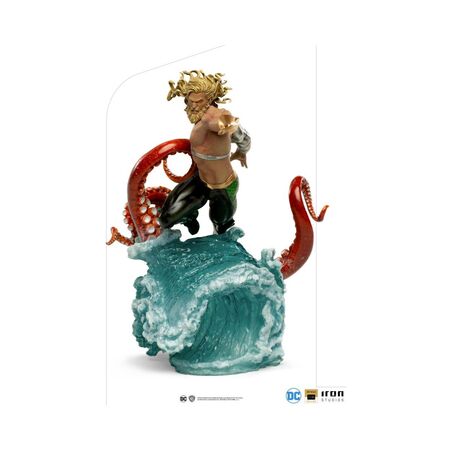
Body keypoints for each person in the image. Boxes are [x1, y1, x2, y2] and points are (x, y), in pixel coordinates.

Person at [159, 70, 251, 234]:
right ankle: (189, 216)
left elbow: (238, 132)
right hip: (201, 180)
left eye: (199, 101)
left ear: (209, 100)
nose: (194, 106)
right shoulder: (199, 117)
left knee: (221, 226)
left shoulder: (216, 117)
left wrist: (242, 149)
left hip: (224, 186)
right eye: (190, 101)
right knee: (166, 217)